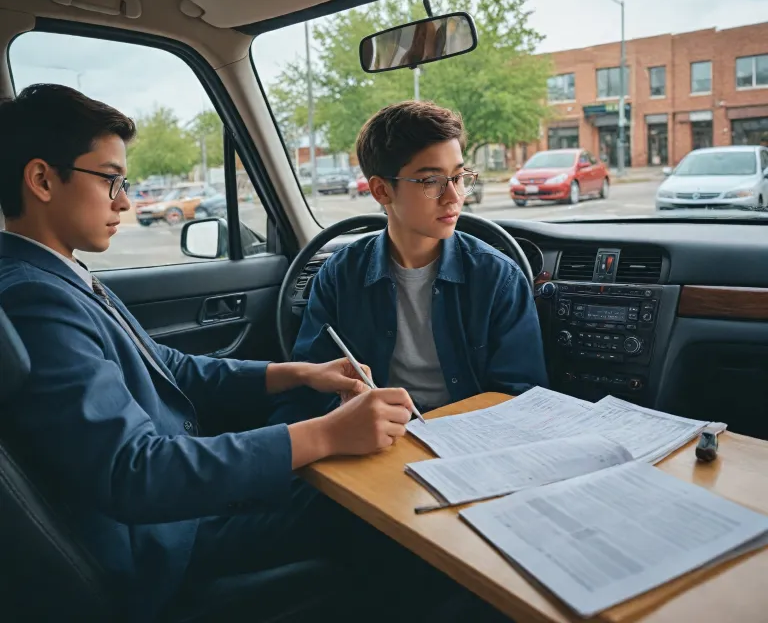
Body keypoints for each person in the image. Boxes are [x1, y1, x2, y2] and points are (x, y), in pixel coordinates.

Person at [0, 85, 502, 623]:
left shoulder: (59, 277)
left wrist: (297, 373)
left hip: (171, 517)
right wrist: (326, 434)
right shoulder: (35, 299)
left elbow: (167, 367)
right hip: (163, 545)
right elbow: (134, 472)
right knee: (394, 518)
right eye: (110, 179)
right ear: (42, 180)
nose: (123, 201)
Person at [271, 100, 547, 425]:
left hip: (472, 437)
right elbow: (309, 386)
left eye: (458, 177)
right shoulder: (340, 275)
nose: (454, 196)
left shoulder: (497, 277)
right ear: (381, 191)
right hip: (370, 438)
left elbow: (521, 397)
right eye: (431, 181)